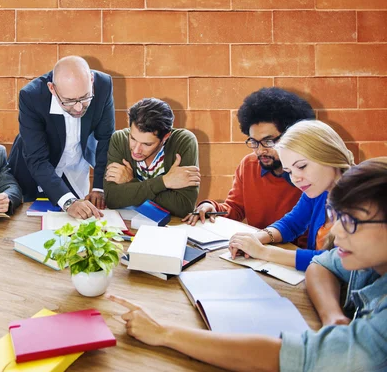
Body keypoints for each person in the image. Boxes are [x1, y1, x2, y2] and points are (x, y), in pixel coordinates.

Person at [108, 157, 387, 371]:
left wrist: (163, 332)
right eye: (335, 216)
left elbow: (291, 358)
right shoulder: (365, 256)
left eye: (351, 222)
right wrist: (332, 317)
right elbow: (323, 264)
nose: (336, 232)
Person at [228, 120, 355, 271]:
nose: (295, 179)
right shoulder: (320, 188)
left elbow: (337, 261)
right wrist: (258, 237)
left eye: (301, 166)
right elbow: (292, 223)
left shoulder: (362, 199)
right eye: (289, 171)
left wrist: (264, 252)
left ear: (329, 155)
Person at [184, 87, 314, 229]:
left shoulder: (309, 172)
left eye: (268, 141)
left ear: (292, 136)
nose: (260, 150)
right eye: (253, 142)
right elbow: (235, 208)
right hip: (259, 246)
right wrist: (211, 207)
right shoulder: (249, 165)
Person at [8, 56, 115, 220]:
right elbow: (37, 159)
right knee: (32, 224)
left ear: (91, 80)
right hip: (36, 169)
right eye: (69, 101)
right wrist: (68, 202)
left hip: (75, 166)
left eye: (85, 97)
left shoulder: (104, 85)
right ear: (52, 88)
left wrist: (100, 187)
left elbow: (105, 139)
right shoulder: (31, 96)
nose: (79, 108)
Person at [103, 98, 200, 217]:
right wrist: (164, 182)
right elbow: (112, 199)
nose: (136, 150)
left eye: (147, 144)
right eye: (133, 138)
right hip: (130, 222)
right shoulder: (119, 139)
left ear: (165, 137)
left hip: (172, 227)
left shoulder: (183, 141)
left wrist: (131, 183)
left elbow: (183, 207)